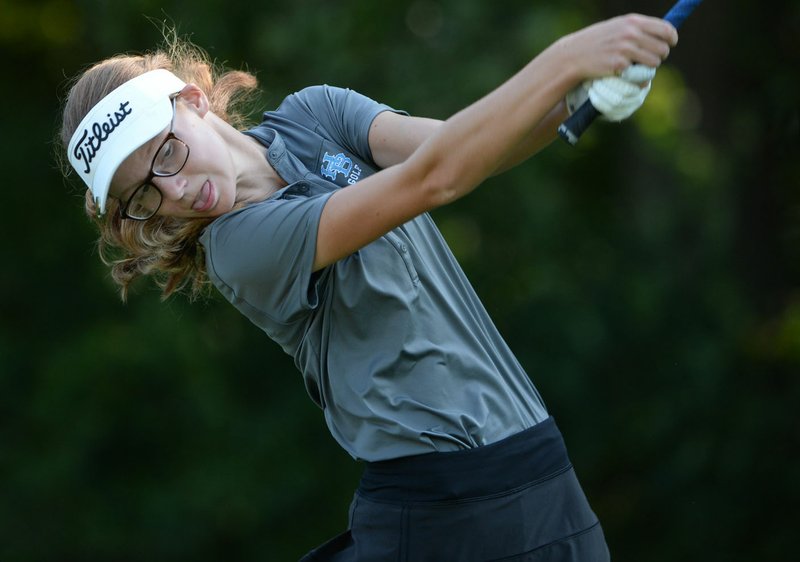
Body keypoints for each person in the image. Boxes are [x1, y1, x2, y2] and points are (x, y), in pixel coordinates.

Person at [58, 13, 677, 561]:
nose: (174, 191)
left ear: (192, 101)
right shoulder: (239, 249)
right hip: (445, 511)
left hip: (537, 464)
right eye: (143, 196)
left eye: (165, 155)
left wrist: (577, 98)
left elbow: (463, 147)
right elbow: (432, 180)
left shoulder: (314, 114)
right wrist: (565, 60)